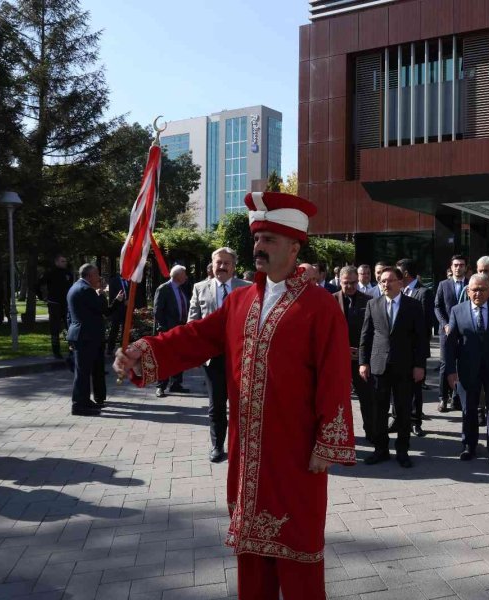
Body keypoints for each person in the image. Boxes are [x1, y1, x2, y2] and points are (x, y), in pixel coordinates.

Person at [114, 190, 355, 599]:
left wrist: (327, 443)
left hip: (297, 456)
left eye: (270, 240)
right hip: (247, 456)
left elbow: (334, 375)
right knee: (251, 557)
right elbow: (195, 337)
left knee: (299, 555)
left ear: (295, 247)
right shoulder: (241, 301)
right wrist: (144, 352)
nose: (258, 247)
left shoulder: (320, 306)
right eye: (257, 239)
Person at [188, 248, 252, 463]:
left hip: (241, 359)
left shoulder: (247, 288)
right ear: (212, 264)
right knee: (216, 405)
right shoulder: (199, 288)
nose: (222, 267)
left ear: (234, 267)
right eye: (218, 263)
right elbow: (193, 323)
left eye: (226, 263)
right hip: (212, 359)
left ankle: (240, 446)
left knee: (240, 404)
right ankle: (217, 446)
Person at [359, 267, 426, 468]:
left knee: (403, 410)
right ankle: (381, 450)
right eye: (382, 281)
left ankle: (403, 451)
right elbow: (366, 335)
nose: (385, 284)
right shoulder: (373, 304)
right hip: (379, 366)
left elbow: (421, 339)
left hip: (405, 366)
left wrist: (419, 365)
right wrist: (363, 362)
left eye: (389, 281)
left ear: (400, 282)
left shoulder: (413, 306)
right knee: (378, 410)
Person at [444, 273, 489, 470]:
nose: (477, 293)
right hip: (467, 369)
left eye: (482, 289)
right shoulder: (457, 311)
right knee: (469, 410)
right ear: (468, 291)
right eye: (474, 289)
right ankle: (469, 445)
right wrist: (450, 370)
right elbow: (450, 344)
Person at [333, 266, 372, 441]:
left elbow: (372, 331)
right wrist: (342, 349)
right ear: (339, 281)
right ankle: (339, 436)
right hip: (338, 359)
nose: (350, 286)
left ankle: (372, 433)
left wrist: (362, 353)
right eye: (346, 283)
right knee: (338, 401)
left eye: (353, 283)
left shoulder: (369, 301)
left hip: (362, 359)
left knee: (367, 399)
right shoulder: (331, 300)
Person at [396, 258, 434, 437]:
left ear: (405, 274)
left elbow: (426, 326)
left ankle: (415, 421)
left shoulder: (423, 293)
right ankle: (397, 418)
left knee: (415, 388)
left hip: (415, 350)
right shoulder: (397, 291)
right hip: (398, 350)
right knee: (397, 386)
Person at [67, 264, 108, 416]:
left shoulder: (75, 287)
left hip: (82, 335)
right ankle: (78, 405)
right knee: (83, 373)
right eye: (97, 274)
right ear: (89, 276)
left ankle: (84, 401)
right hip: (85, 336)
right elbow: (101, 308)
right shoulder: (86, 290)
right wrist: (102, 293)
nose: (99, 277)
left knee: (83, 372)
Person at [433, 255, 469, 413]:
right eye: (455, 265)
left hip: (466, 332)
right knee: (445, 365)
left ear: (466, 267)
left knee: (462, 365)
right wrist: (445, 324)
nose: (458, 267)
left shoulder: (471, 283)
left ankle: (457, 397)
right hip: (447, 332)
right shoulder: (444, 284)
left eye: (461, 265)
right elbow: (437, 306)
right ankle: (443, 398)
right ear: (451, 266)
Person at [153, 265, 191, 397]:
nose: (186, 276)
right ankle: (160, 386)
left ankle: (176, 384)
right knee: (164, 359)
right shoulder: (164, 288)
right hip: (168, 330)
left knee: (179, 357)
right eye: (184, 274)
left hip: (180, 329)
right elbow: (157, 311)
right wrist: (165, 328)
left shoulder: (180, 289)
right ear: (177, 275)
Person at [38, 254, 74, 359]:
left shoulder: (68, 273)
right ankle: (56, 351)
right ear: (56, 262)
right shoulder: (50, 273)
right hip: (54, 304)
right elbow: (38, 284)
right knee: (55, 328)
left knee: (70, 327)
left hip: (66, 304)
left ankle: (72, 349)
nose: (65, 263)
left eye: (65, 261)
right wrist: (41, 296)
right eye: (62, 261)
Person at [105, 273, 129, 356]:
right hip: (117, 309)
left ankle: (123, 347)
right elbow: (113, 295)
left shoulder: (129, 281)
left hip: (126, 309)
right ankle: (110, 348)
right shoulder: (114, 281)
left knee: (125, 329)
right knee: (114, 329)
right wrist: (123, 302)